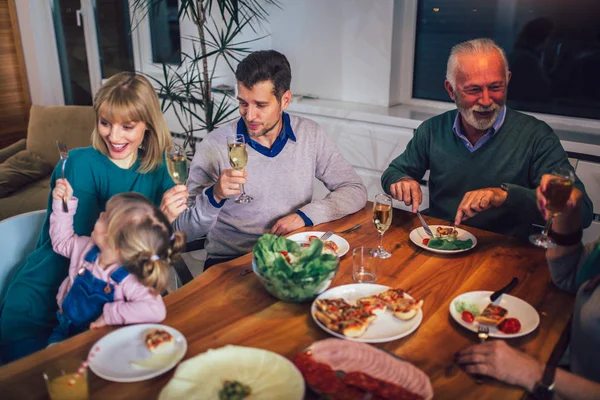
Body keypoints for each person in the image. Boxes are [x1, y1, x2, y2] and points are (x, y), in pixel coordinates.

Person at [0, 72, 185, 363]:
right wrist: (158, 218)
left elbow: (159, 250)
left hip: (117, 297)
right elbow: (90, 240)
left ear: (148, 124)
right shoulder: (79, 161)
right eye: (105, 122)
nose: (113, 135)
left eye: (127, 126)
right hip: (52, 282)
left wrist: (170, 219)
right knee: (28, 374)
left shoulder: (163, 168)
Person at [381, 38, 593, 240]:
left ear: (507, 80)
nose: (485, 100)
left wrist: (504, 196)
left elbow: (582, 213)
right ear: (451, 90)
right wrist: (402, 181)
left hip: (505, 254)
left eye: (495, 87)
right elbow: (394, 172)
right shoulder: (432, 130)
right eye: (473, 90)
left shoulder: (536, 136)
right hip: (441, 244)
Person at [173, 50, 367, 268]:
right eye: (243, 103)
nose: (249, 115)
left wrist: (305, 216)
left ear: (285, 100)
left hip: (292, 258)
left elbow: (354, 189)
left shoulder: (310, 134)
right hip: (234, 264)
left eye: (261, 105)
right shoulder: (214, 146)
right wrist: (214, 196)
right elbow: (183, 231)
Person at [456, 175, 600, 399]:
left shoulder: (536, 140)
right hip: (563, 361)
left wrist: (535, 372)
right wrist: (565, 214)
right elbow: (570, 275)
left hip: (556, 381)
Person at [47, 186, 185, 344]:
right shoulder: (85, 248)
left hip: (99, 340)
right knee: (51, 363)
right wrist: (62, 203)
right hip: (63, 328)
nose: (100, 214)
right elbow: (61, 242)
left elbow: (156, 310)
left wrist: (110, 314)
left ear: (116, 244)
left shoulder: (129, 279)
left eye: (106, 217)